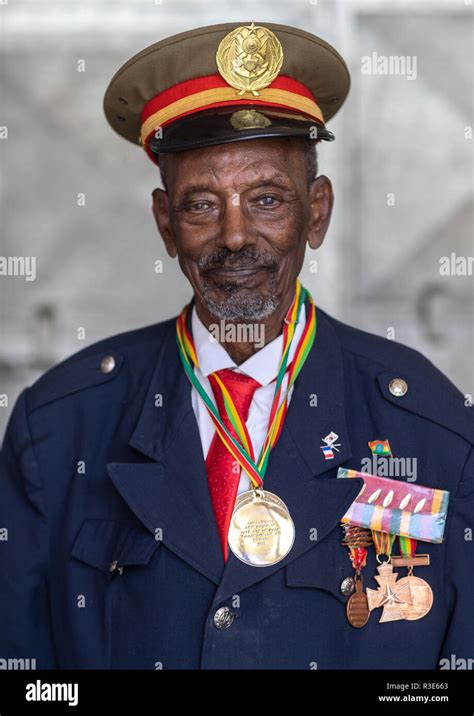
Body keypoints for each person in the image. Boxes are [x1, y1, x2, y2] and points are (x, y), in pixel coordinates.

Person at [0, 22, 472, 670]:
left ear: (318, 211)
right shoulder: (57, 430)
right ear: (166, 224)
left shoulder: (432, 430)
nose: (234, 236)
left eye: (267, 199)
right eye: (201, 205)